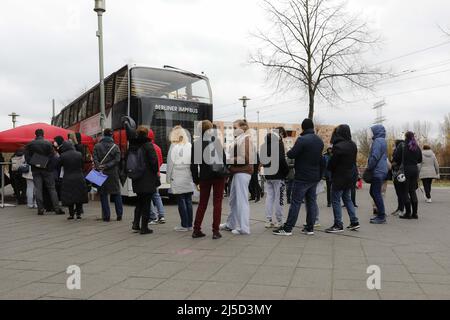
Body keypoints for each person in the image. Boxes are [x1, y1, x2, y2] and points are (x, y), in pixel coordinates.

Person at [273, 118, 324, 236]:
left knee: (295, 202)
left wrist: (290, 150)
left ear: (303, 127)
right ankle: (310, 228)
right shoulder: (319, 141)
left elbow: (292, 154)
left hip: (302, 176)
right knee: (311, 202)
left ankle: (287, 228)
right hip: (314, 176)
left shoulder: (302, 140)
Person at [190, 120, 226, 239]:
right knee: (217, 203)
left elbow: (194, 165)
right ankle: (215, 231)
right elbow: (224, 160)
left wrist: (196, 180)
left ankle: (196, 229)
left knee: (202, 203)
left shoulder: (196, 144)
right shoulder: (216, 141)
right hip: (218, 177)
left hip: (204, 177)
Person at [220, 119, 254, 235]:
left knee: (241, 200)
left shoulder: (245, 139)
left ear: (243, 128)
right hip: (237, 172)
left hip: (242, 172)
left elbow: (244, 159)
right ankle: (231, 224)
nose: (233, 130)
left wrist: (228, 160)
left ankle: (244, 228)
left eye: (235, 128)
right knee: (233, 200)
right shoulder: (240, 139)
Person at [325, 125, 360, 233]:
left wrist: (329, 168)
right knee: (347, 198)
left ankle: (338, 224)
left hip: (339, 176)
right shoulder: (353, 145)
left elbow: (333, 162)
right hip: (350, 176)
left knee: (335, 200)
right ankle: (354, 221)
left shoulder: (338, 146)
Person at [25, 129, 65, 215]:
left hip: (35, 170)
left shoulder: (30, 144)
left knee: (38, 189)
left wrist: (36, 163)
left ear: (35, 135)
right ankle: (57, 209)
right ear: (43, 134)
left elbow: (27, 158)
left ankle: (40, 209)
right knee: (52, 189)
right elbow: (52, 156)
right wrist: (46, 164)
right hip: (47, 169)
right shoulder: (48, 143)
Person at [167, 125, 194, 232]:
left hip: (177, 175)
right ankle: (190, 224)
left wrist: (168, 178)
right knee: (188, 200)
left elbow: (170, 163)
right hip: (188, 175)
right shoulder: (189, 145)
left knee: (181, 200)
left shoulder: (174, 146)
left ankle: (184, 224)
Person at [93, 128, 123, 222]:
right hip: (113, 173)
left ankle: (106, 216)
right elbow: (117, 160)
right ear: (111, 135)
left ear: (103, 135)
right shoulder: (115, 147)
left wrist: (99, 166)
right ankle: (119, 215)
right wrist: (107, 165)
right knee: (117, 193)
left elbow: (95, 158)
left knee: (103, 195)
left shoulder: (97, 146)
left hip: (101, 173)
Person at [261, 130, 289, 229]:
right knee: (279, 198)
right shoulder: (278, 145)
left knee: (269, 197)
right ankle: (279, 220)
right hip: (279, 175)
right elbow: (282, 160)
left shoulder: (264, 146)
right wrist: (286, 171)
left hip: (268, 175)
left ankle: (268, 220)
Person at [393, 132, 422, 220]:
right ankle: (415, 213)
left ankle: (408, 213)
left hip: (405, 170)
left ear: (405, 137)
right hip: (414, 170)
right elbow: (420, 159)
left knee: (404, 191)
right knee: (412, 190)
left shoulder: (402, 146)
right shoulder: (416, 147)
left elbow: (396, 158)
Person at [58, 141, 88, 219]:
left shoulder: (63, 155)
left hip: (68, 177)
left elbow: (59, 165)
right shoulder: (79, 154)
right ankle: (78, 214)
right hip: (79, 177)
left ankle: (71, 214)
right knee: (79, 195)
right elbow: (82, 165)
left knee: (69, 196)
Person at [366, 125, 388, 224]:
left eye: (371, 131)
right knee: (374, 192)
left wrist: (369, 167)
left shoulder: (378, 141)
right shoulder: (382, 140)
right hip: (381, 170)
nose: (370, 134)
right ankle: (381, 214)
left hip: (377, 171)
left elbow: (375, 156)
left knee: (375, 193)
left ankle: (381, 215)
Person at [148, 129, 166, 225]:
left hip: (148, 175)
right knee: (156, 195)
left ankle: (152, 216)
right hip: (157, 174)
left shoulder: (146, 147)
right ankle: (161, 215)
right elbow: (161, 162)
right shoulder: (158, 148)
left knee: (148, 196)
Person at [390, 140, 405, 215]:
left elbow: (394, 161)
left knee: (400, 192)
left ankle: (401, 209)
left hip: (398, 173)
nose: (393, 146)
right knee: (399, 192)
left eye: (394, 145)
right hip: (398, 173)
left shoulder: (399, 152)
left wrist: (392, 162)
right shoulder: (403, 151)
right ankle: (399, 208)